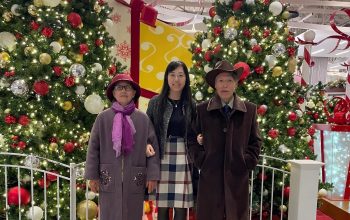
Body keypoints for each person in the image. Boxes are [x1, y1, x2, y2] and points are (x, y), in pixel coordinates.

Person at [189, 60, 262, 220]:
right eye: (220, 81)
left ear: (236, 83)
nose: (225, 85)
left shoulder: (249, 110)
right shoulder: (202, 110)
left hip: (237, 177)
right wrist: (201, 160)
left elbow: (255, 142)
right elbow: (192, 140)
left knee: (235, 214)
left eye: (229, 80)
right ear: (215, 84)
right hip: (210, 177)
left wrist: (246, 161)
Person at [85, 73, 160, 220]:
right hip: (109, 177)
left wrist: (152, 175)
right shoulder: (103, 118)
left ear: (133, 93)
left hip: (134, 177)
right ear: (113, 92)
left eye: (128, 88)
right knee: (109, 213)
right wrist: (92, 176)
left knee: (132, 212)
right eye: (120, 88)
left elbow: (153, 149)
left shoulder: (143, 119)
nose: (124, 91)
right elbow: (93, 148)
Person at [146, 60, 197, 220]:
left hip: (183, 156)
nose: (176, 79)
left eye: (181, 75)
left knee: (181, 208)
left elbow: (196, 131)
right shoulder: (155, 102)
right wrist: (147, 144)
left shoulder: (191, 104)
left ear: (186, 78)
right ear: (167, 78)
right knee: (162, 207)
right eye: (173, 75)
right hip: (162, 156)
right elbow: (147, 129)